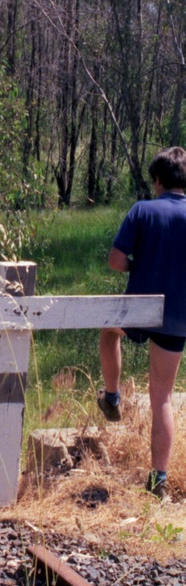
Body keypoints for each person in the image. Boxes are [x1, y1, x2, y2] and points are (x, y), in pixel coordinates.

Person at [98, 146, 186, 497]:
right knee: (162, 397)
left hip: (141, 310)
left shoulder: (142, 210)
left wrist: (140, 267)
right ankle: (159, 481)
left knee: (107, 330)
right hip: (179, 316)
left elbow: (116, 261)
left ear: (158, 181)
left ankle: (113, 396)